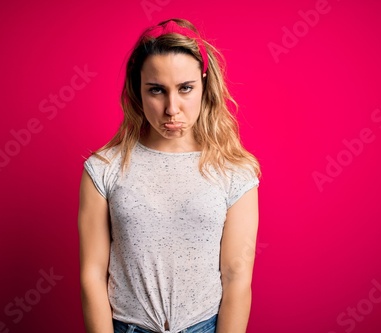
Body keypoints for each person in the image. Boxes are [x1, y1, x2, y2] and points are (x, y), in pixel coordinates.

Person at [78, 18, 260, 333]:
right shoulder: (104, 168)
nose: (171, 107)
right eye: (157, 90)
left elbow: (236, 276)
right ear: (139, 90)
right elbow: (92, 274)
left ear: (204, 86)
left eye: (185, 88)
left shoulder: (235, 171)